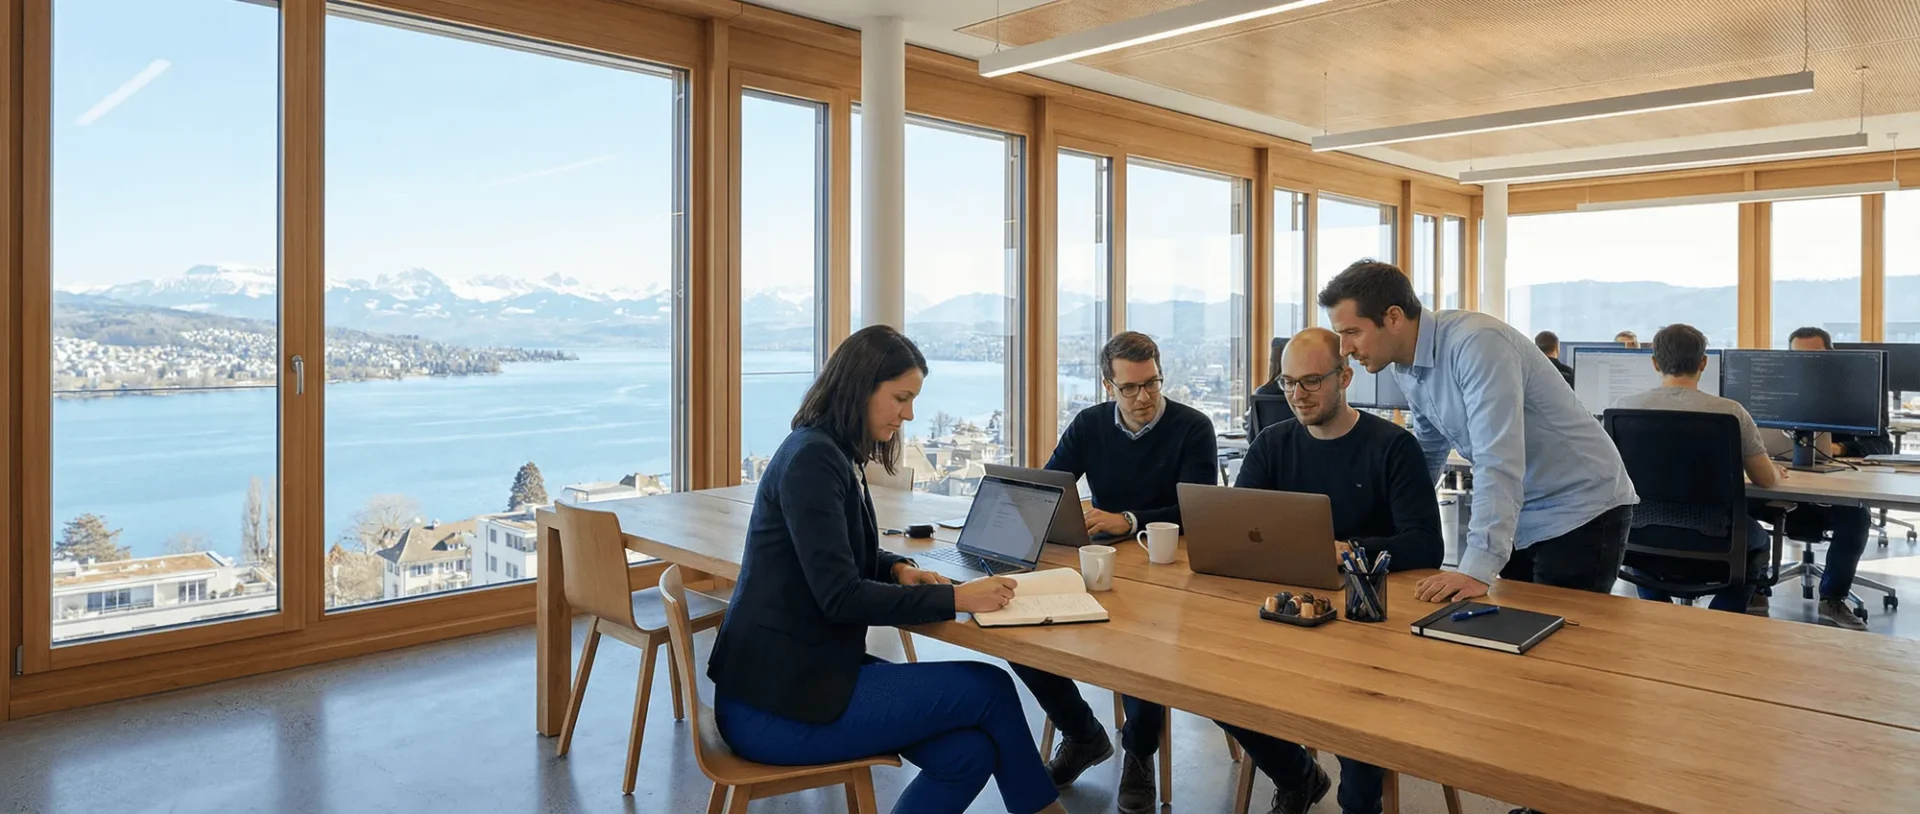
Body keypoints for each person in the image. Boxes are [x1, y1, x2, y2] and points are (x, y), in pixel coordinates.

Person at [707, 325, 1067, 814]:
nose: (909, 414)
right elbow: (841, 597)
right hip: (775, 708)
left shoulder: (828, 451)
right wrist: (958, 598)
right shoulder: (813, 460)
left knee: (968, 754)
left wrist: (897, 568)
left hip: (800, 680)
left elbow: (839, 554)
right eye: (901, 397)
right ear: (860, 387)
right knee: (992, 687)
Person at [1217, 327, 1444, 814]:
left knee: (1358, 753)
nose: (1298, 395)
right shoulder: (1272, 443)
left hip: (1368, 630)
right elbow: (1236, 524)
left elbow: (1427, 544)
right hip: (1286, 617)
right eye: (1288, 383)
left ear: (1345, 377)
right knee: (1212, 687)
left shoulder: (1392, 447)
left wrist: (1348, 549)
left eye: (1312, 381)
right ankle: (1298, 775)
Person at [1319, 260, 1638, 605]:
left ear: (1393, 317)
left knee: (1563, 642)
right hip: (1521, 509)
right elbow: (1428, 448)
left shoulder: (1476, 344)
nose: (1344, 349)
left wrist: (1475, 567)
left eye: (1351, 332)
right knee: (1514, 628)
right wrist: (1393, 525)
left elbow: (1497, 456)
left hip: (1580, 506)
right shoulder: (1405, 367)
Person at [1009, 331, 1219, 814]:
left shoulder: (1193, 427)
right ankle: (1082, 733)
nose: (1143, 397)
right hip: (1103, 562)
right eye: (1130, 387)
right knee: (1019, 628)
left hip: (1170, 570)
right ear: (1109, 385)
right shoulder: (1089, 425)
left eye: (1152, 383)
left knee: (1142, 649)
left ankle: (1139, 754)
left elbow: (1200, 507)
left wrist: (1129, 521)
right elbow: (1054, 484)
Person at [1612, 323, 1780, 614]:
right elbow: (1765, 480)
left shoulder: (1623, 408)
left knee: (1642, 547)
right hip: (1716, 537)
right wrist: (1776, 470)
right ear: (1704, 362)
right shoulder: (1731, 412)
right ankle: (1722, 619)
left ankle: (1658, 612)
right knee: (1759, 541)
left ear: (1654, 363)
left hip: (1643, 535)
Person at [1763, 326, 1887, 630]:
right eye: (1798, 357)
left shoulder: (1854, 394)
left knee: (1856, 518)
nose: (1806, 364)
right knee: (1737, 506)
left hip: (1833, 492)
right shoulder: (1774, 393)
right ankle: (1753, 588)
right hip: (1781, 484)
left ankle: (1832, 598)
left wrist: (1841, 447)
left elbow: (1882, 445)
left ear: (1830, 356)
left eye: (1814, 356)